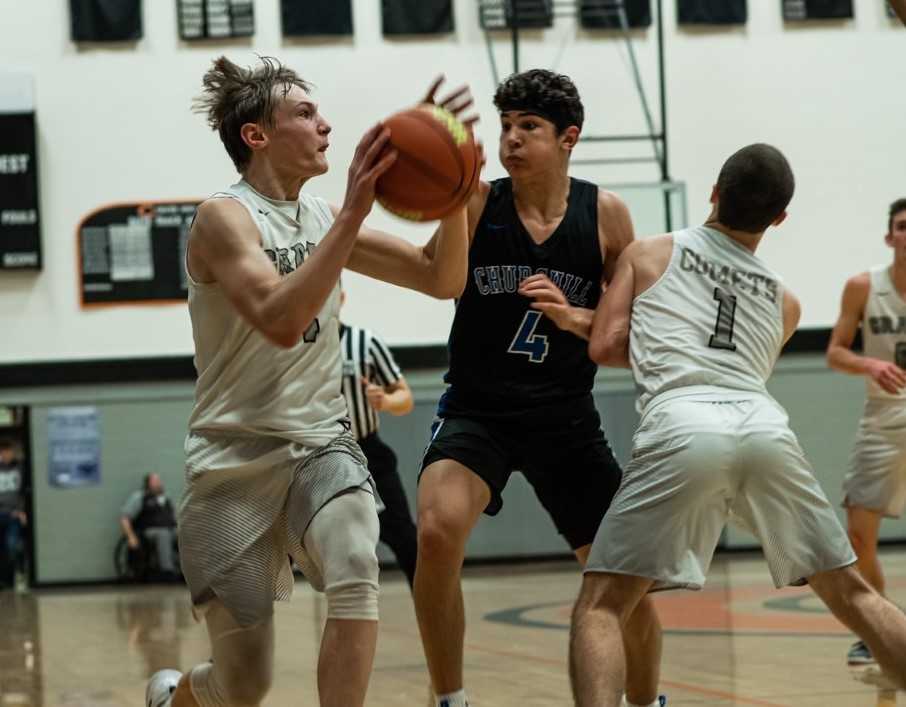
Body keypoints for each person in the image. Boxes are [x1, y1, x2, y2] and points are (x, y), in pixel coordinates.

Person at [146, 55, 478, 707]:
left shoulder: (323, 216)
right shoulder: (224, 218)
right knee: (244, 684)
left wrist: (456, 195)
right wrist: (354, 211)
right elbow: (279, 318)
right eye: (305, 113)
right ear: (257, 135)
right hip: (232, 460)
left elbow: (441, 278)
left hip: (321, 443)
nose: (326, 125)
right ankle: (173, 698)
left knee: (357, 561)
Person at [569, 144, 906, 707]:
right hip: (764, 426)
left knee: (602, 606)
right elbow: (736, 362)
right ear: (779, 218)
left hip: (681, 421)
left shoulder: (648, 253)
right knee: (853, 594)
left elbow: (606, 346)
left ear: (714, 192)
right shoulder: (787, 302)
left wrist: (574, 317)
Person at [414, 69, 663, 707]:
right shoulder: (477, 202)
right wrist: (430, 153)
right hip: (478, 411)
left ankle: (646, 701)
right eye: (505, 126)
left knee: (623, 576)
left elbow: (633, 333)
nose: (512, 139)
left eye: (529, 126)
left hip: (565, 417)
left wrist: (575, 316)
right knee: (436, 532)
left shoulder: (606, 215)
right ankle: (450, 699)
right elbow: (434, 270)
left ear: (568, 137)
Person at [826, 197, 906, 666]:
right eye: (903, 225)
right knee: (858, 537)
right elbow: (835, 352)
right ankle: (880, 634)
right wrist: (869, 364)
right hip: (883, 416)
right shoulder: (863, 286)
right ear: (889, 236)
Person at [339, 289, 418, 588]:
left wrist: (385, 400)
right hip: (313, 456)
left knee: (405, 540)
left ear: (340, 298)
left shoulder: (365, 342)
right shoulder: (294, 347)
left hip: (367, 454)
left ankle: (431, 608)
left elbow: (404, 397)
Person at [120, 472, 180, 581]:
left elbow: (176, 516)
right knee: (163, 534)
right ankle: (167, 571)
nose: (159, 483)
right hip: (148, 531)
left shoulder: (166, 498)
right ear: (148, 484)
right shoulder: (139, 497)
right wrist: (131, 537)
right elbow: (125, 518)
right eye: (155, 481)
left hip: (170, 528)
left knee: (184, 534)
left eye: (159, 481)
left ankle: (189, 569)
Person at [0, 439, 26, 589]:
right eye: (3, 452)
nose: (6, 455)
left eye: (9, 451)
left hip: (14, 514)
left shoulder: (20, 467)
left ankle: (18, 575)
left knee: (12, 545)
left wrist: (22, 510)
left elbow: (25, 491)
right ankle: (5, 580)